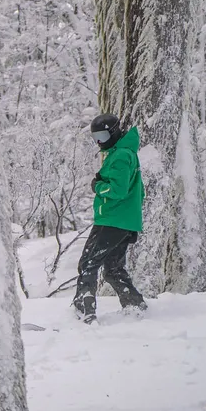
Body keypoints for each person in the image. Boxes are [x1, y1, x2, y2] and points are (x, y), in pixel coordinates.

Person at [73, 113, 148, 324]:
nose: (99, 142)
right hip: (124, 221)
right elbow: (139, 191)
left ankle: (84, 310)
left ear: (114, 132)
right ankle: (135, 306)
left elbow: (118, 190)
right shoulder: (125, 153)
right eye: (96, 137)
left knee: (88, 263)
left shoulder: (122, 155)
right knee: (113, 269)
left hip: (112, 220)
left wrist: (98, 186)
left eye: (103, 136)